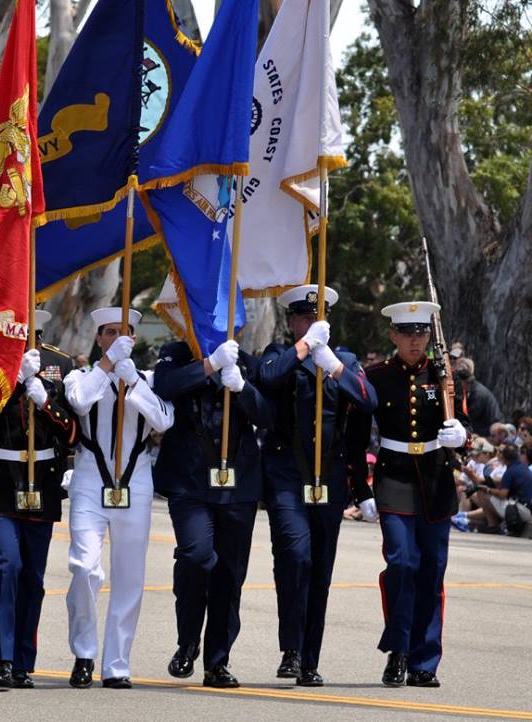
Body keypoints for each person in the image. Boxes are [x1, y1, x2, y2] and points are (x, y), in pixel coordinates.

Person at [257, 285, 378, 687]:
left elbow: (369, 401)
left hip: (328, 477)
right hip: (287, 474)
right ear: (291, 322)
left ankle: (310, 659)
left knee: (321, 568)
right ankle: (290, 649)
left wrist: (336, 367)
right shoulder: (279, 354)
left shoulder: (344, 360)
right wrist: (307, 347)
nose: (311, 323)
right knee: (295, 557)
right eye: (304, 318)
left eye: (317, 318)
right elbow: (269, 378)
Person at [351, 301, 469, 688]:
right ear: (393, 335)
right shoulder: (377, 377)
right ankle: (398, 648)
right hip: (394, 478)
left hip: (435, 480)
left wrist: (460, 435)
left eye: (421, 333)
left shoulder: (444, 376)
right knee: (402, 564)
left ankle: (424, 661)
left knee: (432, 571)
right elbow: (356, 438)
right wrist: (360, 489)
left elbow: (464, 424)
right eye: (406, 334)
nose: (415, 341)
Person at [152, 336, 273, 688]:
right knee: (196, 556)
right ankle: (188, 640)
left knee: (229, 575)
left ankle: (217, 661)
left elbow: (267, 416)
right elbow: (165, 387)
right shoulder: (177, 354)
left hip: (238, 484)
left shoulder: (246, 361)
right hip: (189, 480)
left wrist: (243, 388)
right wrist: (209, 365)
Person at [62, 307, 174, 689]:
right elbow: (79, 402)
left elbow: (163, 420)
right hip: (90, 480)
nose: (116, 338)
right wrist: (108, 364)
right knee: (84, 566)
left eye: (123, 332)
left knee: (130, 577)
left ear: (134, 338)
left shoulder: (149, 379)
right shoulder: (80, 376)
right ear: (98, 338)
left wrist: (133, 381)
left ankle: (116, 663)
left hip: (135, 482)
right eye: (109, 332)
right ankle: (84, 652)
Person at [0, 313, 78, 689]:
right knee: (4, 566)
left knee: (32, 576)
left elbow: (72, 429)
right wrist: (13, 383)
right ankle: (0, 657)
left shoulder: (59, 362)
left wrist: (44, 399)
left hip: (42, 481)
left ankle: (21, 661)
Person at [453, 442, 532, 534]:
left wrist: (487, 489)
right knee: (475, 491)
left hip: (519, 511)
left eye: (501, 453)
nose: (498, 455)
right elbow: (500, 483)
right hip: (524, 509)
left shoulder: (511, 470)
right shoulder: (520, 468)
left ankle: (492, 525)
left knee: (482, 493)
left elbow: (502, 494)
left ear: (505, 458)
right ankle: (464, 518)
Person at [453, 357, 500, 437]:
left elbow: (470, 418)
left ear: (463, 382)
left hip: (489, 430)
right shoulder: (470, 391)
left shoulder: (478, 394)